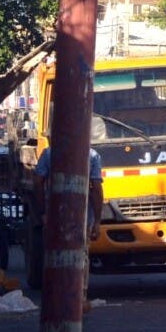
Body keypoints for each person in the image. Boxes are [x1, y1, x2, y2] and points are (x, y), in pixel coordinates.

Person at [34, 124, 104, 306]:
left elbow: (38, 183)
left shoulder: (48, 154)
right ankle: (80, 295)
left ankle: (58, 294)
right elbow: (96, 188)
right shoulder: (92, 155)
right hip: (82, 215)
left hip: (56, 213)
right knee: (82, 253)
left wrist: (43, 212)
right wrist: (97, 221)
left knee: (56, 252)